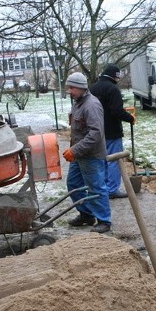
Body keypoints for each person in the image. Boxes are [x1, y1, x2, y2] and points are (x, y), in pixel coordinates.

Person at [62, 72, 112, 233]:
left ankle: (104, 221)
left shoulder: (91, 105)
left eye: (72, 87)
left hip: (91, 155)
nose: (69, 91)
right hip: (79, 154)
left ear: (82, 88)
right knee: (73, 183)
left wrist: (74, 150)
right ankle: (86, 214)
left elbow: (96, 134)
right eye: (68, 87)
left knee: (96, 187)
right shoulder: (78, 102)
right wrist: (73, 150)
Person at [89, 64, 135, 199]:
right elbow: (116, 111)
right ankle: (112, 189)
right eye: (118, 77)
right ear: (115, 76)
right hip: (112, 131)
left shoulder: (93, 88)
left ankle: (101, 188)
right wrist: (130, 118)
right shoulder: (113, 89)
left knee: (101, 160)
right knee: (115, 160)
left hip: (96, 131)